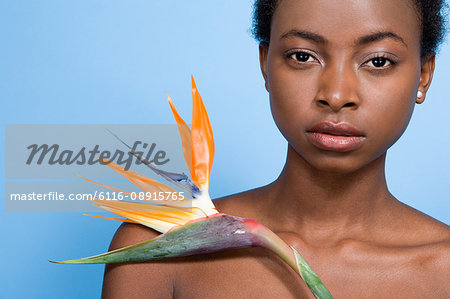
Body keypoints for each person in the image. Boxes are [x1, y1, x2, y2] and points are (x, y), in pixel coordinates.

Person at [102, 0, 450, 298]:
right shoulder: (155, 250)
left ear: (423, 75)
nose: (337, 95)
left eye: (378, 61)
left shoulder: (442, 271)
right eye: (303, 56)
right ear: (265, 63)